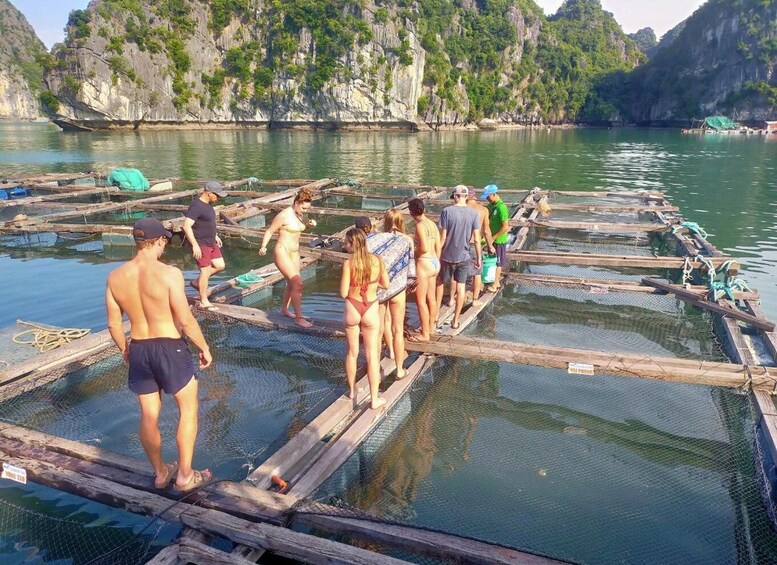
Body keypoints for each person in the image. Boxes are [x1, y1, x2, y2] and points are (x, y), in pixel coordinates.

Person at [105, 218, 213, 493]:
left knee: (148, 415)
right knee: (187, 410)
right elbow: (185, 319)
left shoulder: (115, 276)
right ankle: (185, 476)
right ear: (160, 241)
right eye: (166, 241)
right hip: (169, 347)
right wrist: (204, 347)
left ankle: (161, 473)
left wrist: (125, 350)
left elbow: (114, 325)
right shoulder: (169, 273)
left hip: (139, 347)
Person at [358, 212, 414, 379]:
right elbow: (411, 270)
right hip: (398, 289)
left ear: (385, 223)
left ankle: (374, 367)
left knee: (378, 330)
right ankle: (399, 369)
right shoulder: (406, 240)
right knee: (398, 330)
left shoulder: (371, 240)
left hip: (380, 290)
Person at [340, 228, 389, 409]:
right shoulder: (377, 260)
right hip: (370, 308)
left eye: (346, 243)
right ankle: (374, 399)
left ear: (353, 245)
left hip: (353, 306)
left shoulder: (348, 263)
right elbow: (386, 284)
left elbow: (344, 292)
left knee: (352, 353)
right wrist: (373, 285)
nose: (344, 246)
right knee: (372, 356)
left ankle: (353, 390)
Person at [258, 187, 317, 328]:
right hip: (282, 251)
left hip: (294, 252)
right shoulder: (283, 215)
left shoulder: (299, 215)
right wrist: (263, 246)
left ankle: (284, 309)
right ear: (296, 202)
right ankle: (299, 318)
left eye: (307, 209)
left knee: (292, 283)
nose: (305, 211)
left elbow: (296, 229)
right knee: (298, 283)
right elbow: (270, 231)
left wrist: (307, 226)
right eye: (304, 208)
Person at [436, 185, 481, 330]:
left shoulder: (447, 211)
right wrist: (479, 257)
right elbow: (477, 238)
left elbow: (443, 237)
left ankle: (436, 315)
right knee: (461, 287)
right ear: (467, 196)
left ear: (455, 196)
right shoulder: (474, 214)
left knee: (440, 283)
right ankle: (455, 321)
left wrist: (436, 256)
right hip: (464, 256)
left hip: (447, 255)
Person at [182, 181, 228, 311]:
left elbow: (209, 223)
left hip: (210, 241)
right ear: (208, 193)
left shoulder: (208, 205)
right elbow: (186, 226)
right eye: (217, 195)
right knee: (205, 271)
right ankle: (203, 301)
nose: (218, 198)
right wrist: (195, 245)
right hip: (201, 243)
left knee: (220, 265)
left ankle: (197, 282)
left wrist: (215, 235)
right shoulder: (196, 206)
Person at [407, 198, 440, 342]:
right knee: (431, 298)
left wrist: (413, 253)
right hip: (434, 262)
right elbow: (438, 245)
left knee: (420, 301)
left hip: (425, 263)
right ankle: (430, 327)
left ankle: (425, 335)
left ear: (410, 212)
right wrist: (436, 261)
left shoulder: (420, 226)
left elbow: (424, 248)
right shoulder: (432, 223)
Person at [481, 184, 510, 292]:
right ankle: (491, 279)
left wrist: (493, 238)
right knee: (492, 260)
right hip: (492, 239)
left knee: (498, 262)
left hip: (499, 240)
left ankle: (496, 283)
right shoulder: (492, 205)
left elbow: (505, 227)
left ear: (494, 194)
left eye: (488, 196)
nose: (487, 199)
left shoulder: (501, 208)